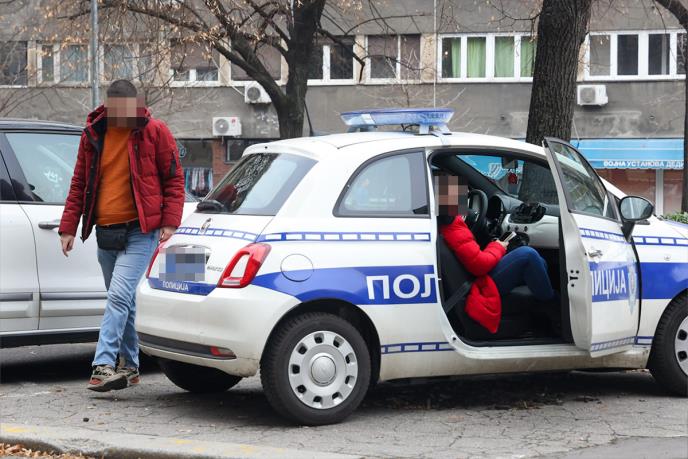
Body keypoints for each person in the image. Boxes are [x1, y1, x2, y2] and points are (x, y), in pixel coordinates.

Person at [59, 80, 184, 392]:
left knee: (117, 296)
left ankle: (102, 365)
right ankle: (131, 365)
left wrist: (170, 222)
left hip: (141, 231)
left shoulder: (155, 131)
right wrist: (68, 227)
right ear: (109, 106)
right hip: (106, 232)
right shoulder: (93, 134)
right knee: (123, 300)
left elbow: (173, 178)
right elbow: (79, 182)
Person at [435, 173, 555, 334]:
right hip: (477, 284)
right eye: (461, 193)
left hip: (472, 278)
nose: (466, 196)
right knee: (528, 255)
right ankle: (552, 306)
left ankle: (543, 305)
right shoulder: (454, 230)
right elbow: (479, 265)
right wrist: (498, 245)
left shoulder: (447, 225)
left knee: (539, 262)